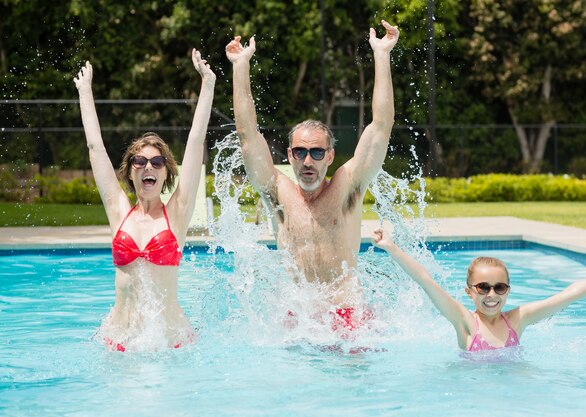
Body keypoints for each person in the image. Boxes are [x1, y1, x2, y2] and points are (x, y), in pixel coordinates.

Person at [225, 21, 400, 330]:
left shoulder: (348, 187)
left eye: (317, 153)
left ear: (330, 156)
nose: (308, 161)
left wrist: (382, 55)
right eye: (300, 152)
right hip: (298, 318)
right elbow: (247, 135)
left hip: (346, 314)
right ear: (290, 156)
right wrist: (240, 67)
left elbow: (381, 126)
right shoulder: (277, 192)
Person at [73, 49, 216, 351]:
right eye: (139, 161)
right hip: (121, 342)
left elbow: (194, 140)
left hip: (169, 343)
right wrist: (85, 92)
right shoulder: (119, 212)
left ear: (166, 174)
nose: (148, 167)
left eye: (157, 162)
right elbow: (95, 148)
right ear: (130, 172)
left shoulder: (176, 213)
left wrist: (208, 84)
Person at [372, 228, 586, 352]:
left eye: (499, 287)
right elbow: (427, 281)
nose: (492, 295)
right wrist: (392, 248)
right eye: (483, 288)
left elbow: (569, 294)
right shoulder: (465, 322)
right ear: (469, 291)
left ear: (508, 290)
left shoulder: (518, 319)